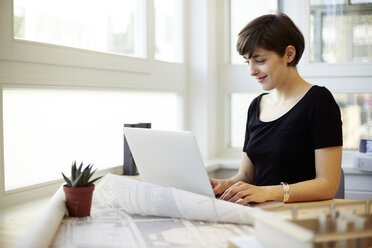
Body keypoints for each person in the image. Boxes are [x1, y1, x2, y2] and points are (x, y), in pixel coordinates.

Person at [210, 13, 343, 205]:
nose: (252, 71)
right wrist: (222, 185)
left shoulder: (319, 102)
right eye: (247, 61)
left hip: (298, 218)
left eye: (260, 60)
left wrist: (266, 192)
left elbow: (328, 184)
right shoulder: (257, 105)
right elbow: (246, 175)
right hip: (258, 215)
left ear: (289, 54)